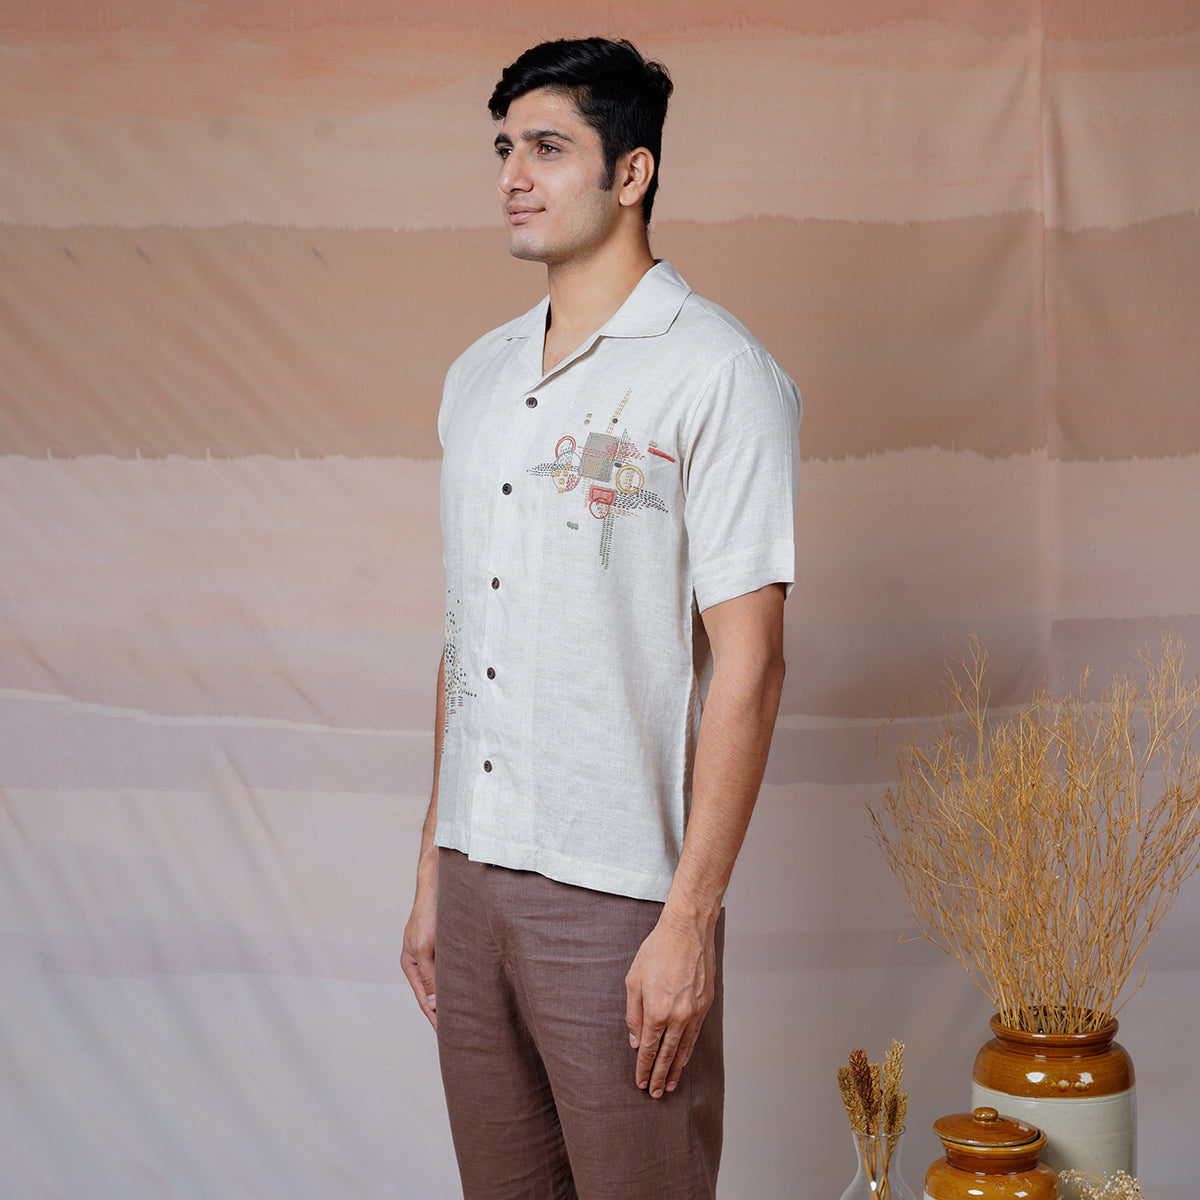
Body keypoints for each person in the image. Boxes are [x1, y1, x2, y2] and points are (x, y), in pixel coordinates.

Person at [401, 36, 801, 1199]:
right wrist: (432, 869)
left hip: (620, 886)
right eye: (504, 148)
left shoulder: (717, 372)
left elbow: (752, 666)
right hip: (473, 872)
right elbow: (464, 641)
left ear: (632, 172)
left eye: (547, 148)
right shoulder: (475, 378)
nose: (512, 176)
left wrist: (689, 922)